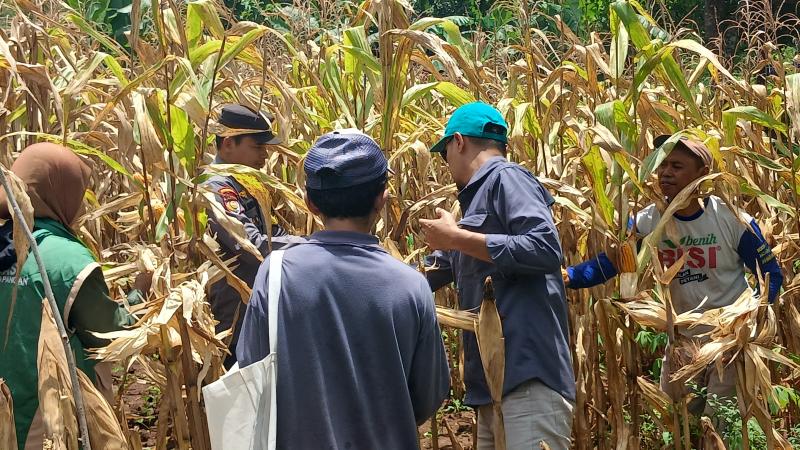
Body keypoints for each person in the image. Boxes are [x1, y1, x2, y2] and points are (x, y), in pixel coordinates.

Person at [236, 129, 450, 449]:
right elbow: (429, 393)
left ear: (310, 203)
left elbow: (251, 366)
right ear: (381, 198)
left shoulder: (277, 273)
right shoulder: (412, 285)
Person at [564, 135, 783, 417]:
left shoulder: (731, 219)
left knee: (721, 425)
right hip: (681, 342)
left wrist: (745, 322)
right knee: (676, 422)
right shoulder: (647, 221)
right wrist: (570, 276)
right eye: (662, 165)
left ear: (702, 173)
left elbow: (771, 275)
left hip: (727, 344)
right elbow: (612, 263)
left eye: (677, 166)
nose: (666, 172)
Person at [420, 102, 575, 449]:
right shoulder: (475, 203)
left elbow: (544, 247)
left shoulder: (507, 178)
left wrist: (456, 238)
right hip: (493, 387)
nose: (446, 162)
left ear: (459, 142)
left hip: (528, 380)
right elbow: (434, 269)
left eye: (445, 152)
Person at [0, 143, 149, 450]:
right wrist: (140, 293)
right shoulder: (68, 259)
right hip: (47, 417)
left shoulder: (4, 246)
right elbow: (109, 332)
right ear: (61, 193)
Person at [204, 104, 298, 368]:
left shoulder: (244, 183)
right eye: (258, 147)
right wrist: (307, 247)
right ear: (228, 144)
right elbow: (251, 244)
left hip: (253, 306)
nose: (265, 156)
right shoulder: (216, 188)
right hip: (234, 313)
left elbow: (271, 231)